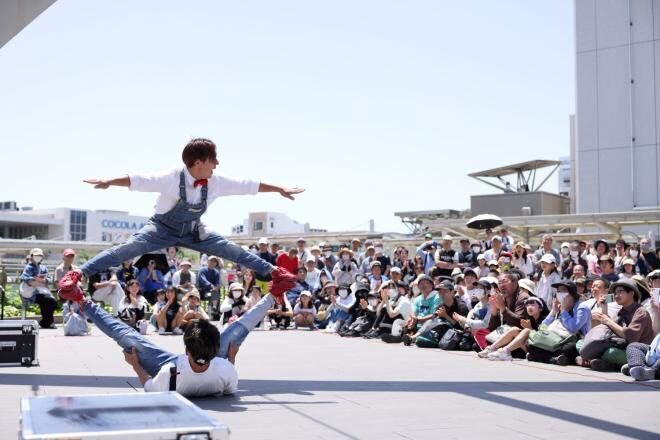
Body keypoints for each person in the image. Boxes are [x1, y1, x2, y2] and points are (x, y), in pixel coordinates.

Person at [58, 139, 300, 305]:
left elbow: (249, 186)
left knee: (230, 248)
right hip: (160, 229)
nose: (217, 164)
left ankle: (275, 273)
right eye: (213, 160)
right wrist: (109, 181)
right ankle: (77, 275)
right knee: (127, 249)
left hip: (193, 230)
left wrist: (280, 189)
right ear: (199, 162)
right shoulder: (172, 178)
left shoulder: (216, 181)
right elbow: (139, 180)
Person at [80, 284, 281, 396]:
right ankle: (273, 295)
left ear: (186, 351)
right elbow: (230, 390)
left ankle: (82, 301)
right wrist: (231, 358)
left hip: (177, 369)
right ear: (215, 350)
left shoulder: (169, 372)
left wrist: (135, 365)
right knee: (237, 329)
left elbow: (149, 387)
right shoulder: (224, 368)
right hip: (210, 365)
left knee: (127, 335)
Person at [583, 280, 655, 371]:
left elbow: (630, 336)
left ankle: (610, 364)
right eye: (615, 293)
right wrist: (604, 309)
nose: (616, 295)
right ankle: (605, 363)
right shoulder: (621, 311)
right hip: (620, 346)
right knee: (582, 343)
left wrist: (607, 320)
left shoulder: (641, 312)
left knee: (610, 353)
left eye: (620, 291)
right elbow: (608, 330)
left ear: (631, 293)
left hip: (636, 352)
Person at [526, 280, 591, 365]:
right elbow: (542, 327)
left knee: (569, 348)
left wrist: (564, 311)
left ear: (571, 294)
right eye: (558, 291)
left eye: (563, 291)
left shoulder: (581, 308)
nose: (559, 293)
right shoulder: (558, 307)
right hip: (554, 339)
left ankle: (544, 357)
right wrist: (553, 312)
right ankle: (554, 359)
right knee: (530, 344)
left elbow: (573, 328)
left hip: (570, 340)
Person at [480, 296, 548, 361]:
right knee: (514, 329)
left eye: (532, 305)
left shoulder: (545, 320)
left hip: (540, 349)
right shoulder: (530, 320)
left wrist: (530, 329)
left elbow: (543, 338)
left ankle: (505, 351)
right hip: (530, 347)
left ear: (541, 308)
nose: (529, 307)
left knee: (527, 330)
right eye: (527, 305)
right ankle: (491, 348)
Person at [19, 248, 57, 329]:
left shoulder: (44, 268)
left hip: (41, 292)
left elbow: (49, 280)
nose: (38, 257)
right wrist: (41, 283)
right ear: (31, 256)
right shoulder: (28, 267)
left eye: (40, 255)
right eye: (36, 255)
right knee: (46, 300)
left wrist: (40, 281)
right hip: (31, 293)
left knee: (52, 302)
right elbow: (28, 281)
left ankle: (45, 322)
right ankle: (48, 323)